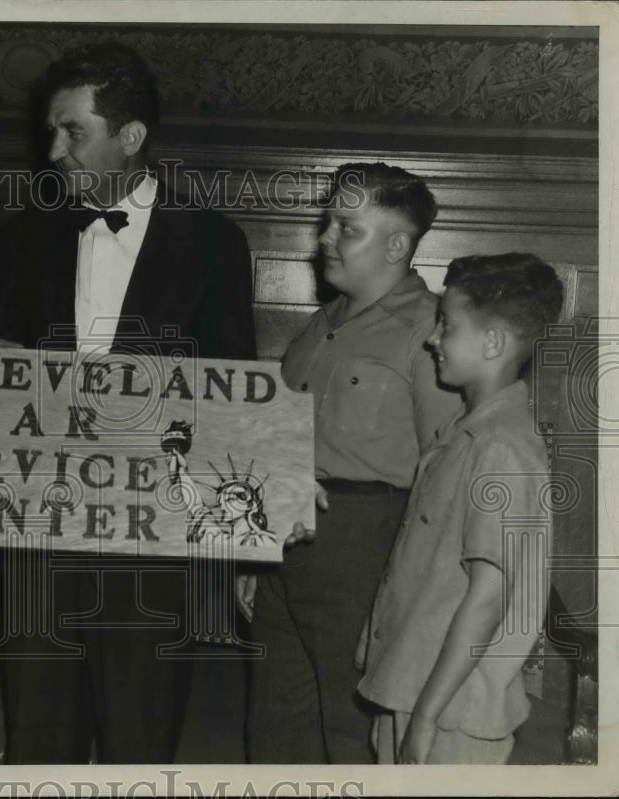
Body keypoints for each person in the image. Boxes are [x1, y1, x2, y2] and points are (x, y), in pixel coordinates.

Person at [0, 41, 256, 764]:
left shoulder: (214, 247)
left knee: (141, 750)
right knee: (35, 752)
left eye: (73, 131)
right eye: (51, 130)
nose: (53, 150)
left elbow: (230, 403)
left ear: (130, 138)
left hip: (153, 560)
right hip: (36, 542)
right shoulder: (19, 241)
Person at [241, 162, 463, 763]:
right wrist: (252, 556)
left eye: (347, 227)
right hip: (285, 545)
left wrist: (408, 592)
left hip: (368, 549)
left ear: (397, 244)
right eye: (327, 223)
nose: (324, 239)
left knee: (353, 731)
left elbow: (447, 479)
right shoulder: (318, 328)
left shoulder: (433, 332)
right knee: (276, 726)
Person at [357, 252, 563, 764]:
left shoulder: (501, 448)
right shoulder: (466, 433)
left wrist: (426, 716)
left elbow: (488, 601)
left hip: (450, 706)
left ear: (493, 343)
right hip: (416, 681)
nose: (432, 339)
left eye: (446, 325)